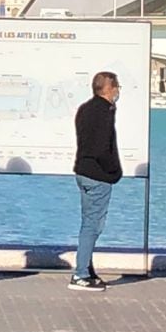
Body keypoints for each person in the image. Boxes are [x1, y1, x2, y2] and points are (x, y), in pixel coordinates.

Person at [70, 72, 123, 292]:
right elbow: (103, 147)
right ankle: (81, 274)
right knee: (93, 224)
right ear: (108, 88)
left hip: (82, 171)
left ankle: (87, 270)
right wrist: (113, 170)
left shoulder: (85, 108)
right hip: (97, 175)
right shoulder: (104, 111)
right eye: (116, 86)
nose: (118, 91)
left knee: (87, 222)